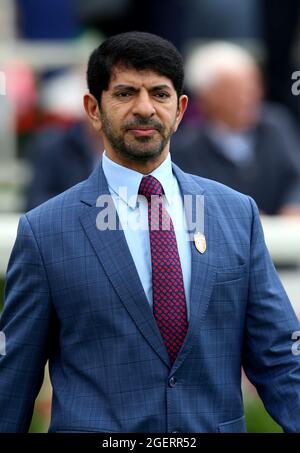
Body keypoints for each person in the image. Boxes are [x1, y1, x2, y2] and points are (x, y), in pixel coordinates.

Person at [0, 31, 300, 433]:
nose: (145, 109)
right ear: (93, 108)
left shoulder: (235, 214)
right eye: (125, 94)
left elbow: (280, 356)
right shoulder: (44, 231)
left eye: (159, 94)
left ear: (180, 109)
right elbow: (13, 380)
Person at [172, 42, 300, 216]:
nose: (249, 97)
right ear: (206, 98)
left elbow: (295, 177)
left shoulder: (276, 125)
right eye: (236, 91)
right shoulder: (185, 149)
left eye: (253, 86)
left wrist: (293, 205)